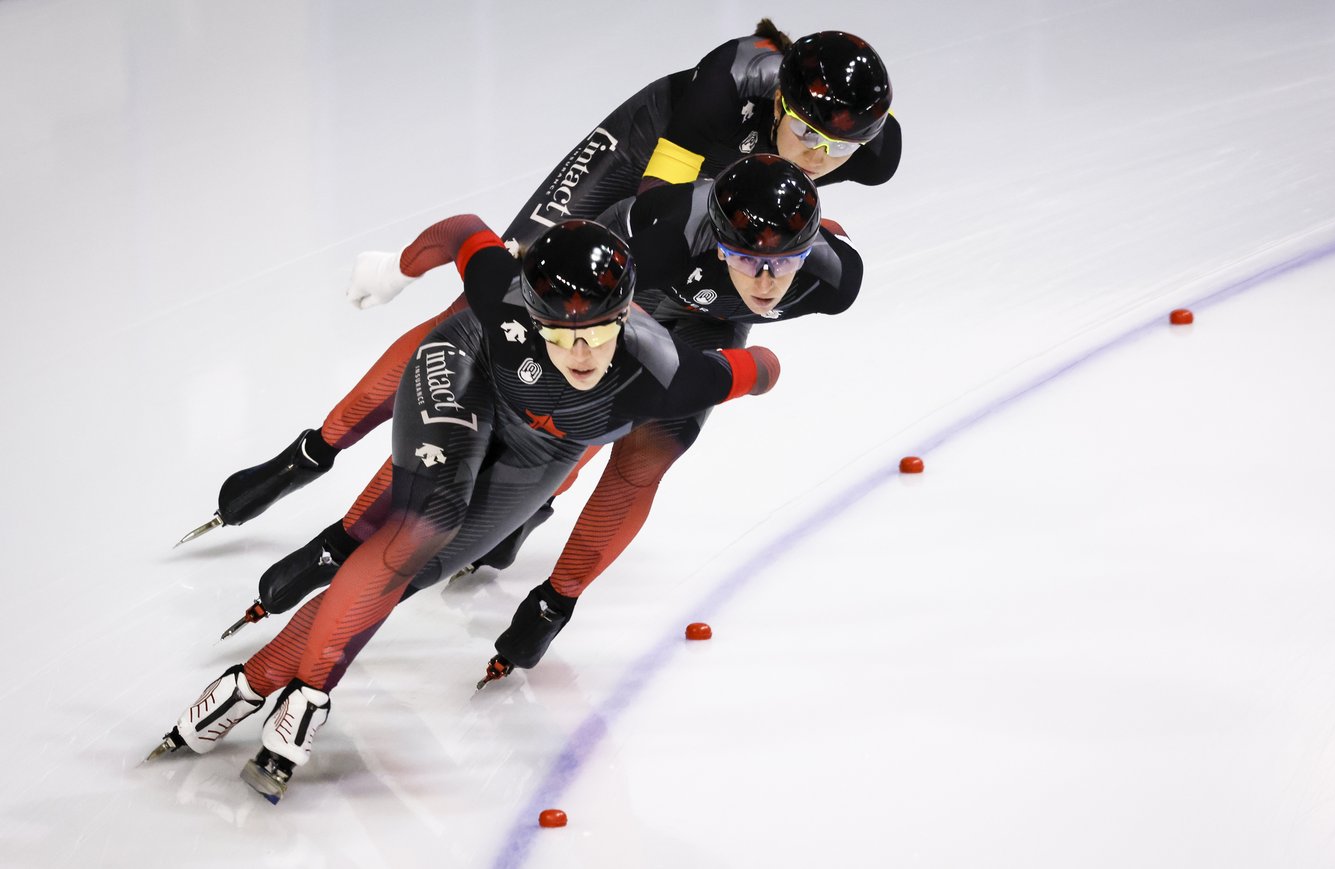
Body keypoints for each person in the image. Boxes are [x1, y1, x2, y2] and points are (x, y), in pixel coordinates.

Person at [177, 23, 896, 547]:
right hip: (641, 172)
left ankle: (531, 489)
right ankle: (312, 450)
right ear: (778, 104)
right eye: (806, 134)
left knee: (606, 362)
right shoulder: (727, 85)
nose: (820, 156)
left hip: (724, 212)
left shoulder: (868, 151)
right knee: (500, 308)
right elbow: (652, 213)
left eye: (842, 148)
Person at [149, 219, 782, 804]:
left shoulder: (669, 372)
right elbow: (465, 233)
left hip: (548, 444)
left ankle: (246, 687)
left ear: (625, 321)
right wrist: (398, 269)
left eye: (598, 333)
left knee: (407, 575)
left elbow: (761, 368)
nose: (582, 353)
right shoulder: (499, 298)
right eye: (561, 334)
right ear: (532, 318)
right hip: (465, 367)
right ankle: (310, 698)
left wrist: (762, 359)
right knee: (426, 524)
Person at [233, 155, 862, 688]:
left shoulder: (831, 281)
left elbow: (744, 362)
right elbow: (497, 310)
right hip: (613, 297)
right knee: (511, 374)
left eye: (785, 263)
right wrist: (403, 269)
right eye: (745, 257)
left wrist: (754, 364)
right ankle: (349, 531)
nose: (766, 279)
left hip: (693, 332)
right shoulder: (665, 232)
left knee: (642, 449)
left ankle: (550, 595)